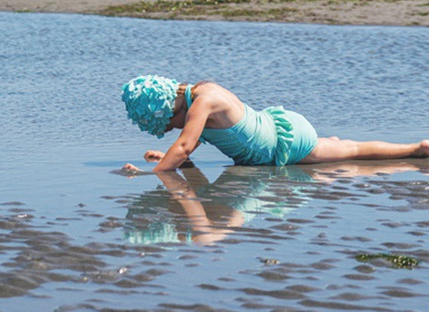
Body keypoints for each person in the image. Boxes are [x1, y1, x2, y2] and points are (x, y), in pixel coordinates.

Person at [121, 75, 429, 173]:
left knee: (354, 151)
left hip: (283, 144)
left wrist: (155, 174)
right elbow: (191, 142)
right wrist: (172, 157)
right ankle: (326, 145)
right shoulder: (201, 93)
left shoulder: (202, 103)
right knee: (336, 151)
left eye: (169, 124)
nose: (174, 129)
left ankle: (415, 150)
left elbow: (186, 143)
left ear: (171, 109)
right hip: (279, 127)